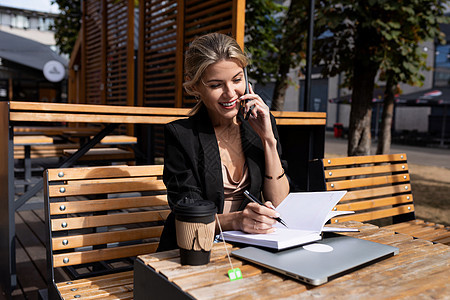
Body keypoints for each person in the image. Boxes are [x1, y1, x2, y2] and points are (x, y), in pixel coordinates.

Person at [157, 32, 290, 251]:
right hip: (194, 248)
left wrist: (268, 140)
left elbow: (280, 203)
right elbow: (188, 213)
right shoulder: (181, 135)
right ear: (195, 87)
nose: (230, 94)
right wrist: (237, 220)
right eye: (215, 85)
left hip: (249, 247)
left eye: (237, 80)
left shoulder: (260, 124)